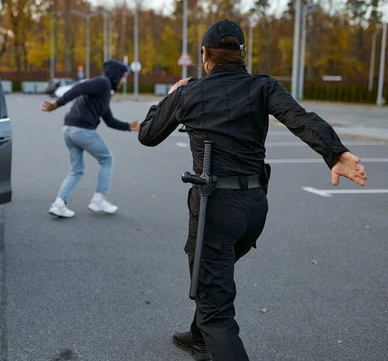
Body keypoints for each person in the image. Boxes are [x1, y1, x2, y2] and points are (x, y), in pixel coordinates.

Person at [137, 19, 368, 361]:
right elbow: (299, 118)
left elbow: (148, 134)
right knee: (207, 271)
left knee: (216, 305)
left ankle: (208, 331)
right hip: (254, 209)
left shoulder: (189, 92)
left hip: (215, 208)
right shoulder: (264, 86)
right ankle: (199, 337)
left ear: (205, 55)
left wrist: (169, 98)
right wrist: (336, 153)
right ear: (243, 54)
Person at [42, 59, 140, 218]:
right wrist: (57, 104)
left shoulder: (103, 92)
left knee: (76, 169)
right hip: (82, 130)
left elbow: (109, 120)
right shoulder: (103, 82)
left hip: (69, 129)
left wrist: (128, 126)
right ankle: (99, 199)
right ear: (116, 75)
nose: (123, 81)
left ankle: (59, 203)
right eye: (123, 76)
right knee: (107, 160)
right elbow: (79, 87)